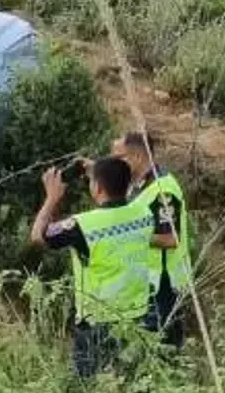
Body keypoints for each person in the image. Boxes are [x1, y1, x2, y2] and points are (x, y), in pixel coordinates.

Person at [31, 157, 154, 378]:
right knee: (128, 382)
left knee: (90, 387)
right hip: (137, 316)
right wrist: (100, 172)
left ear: (96, 188)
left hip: (97, 321)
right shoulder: (144, 214)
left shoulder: (83, 225)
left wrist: (51, 198)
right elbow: (123, 192)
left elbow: (38, 236)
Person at [111, 131, 193, 348]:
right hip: (144, 282)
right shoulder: (137, 185)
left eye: (118, 159)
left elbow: (170, 239)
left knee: (163, 348)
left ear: (137, 157)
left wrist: (129, 235)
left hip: (164, 284)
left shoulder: (162, 190)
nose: (115, 165)